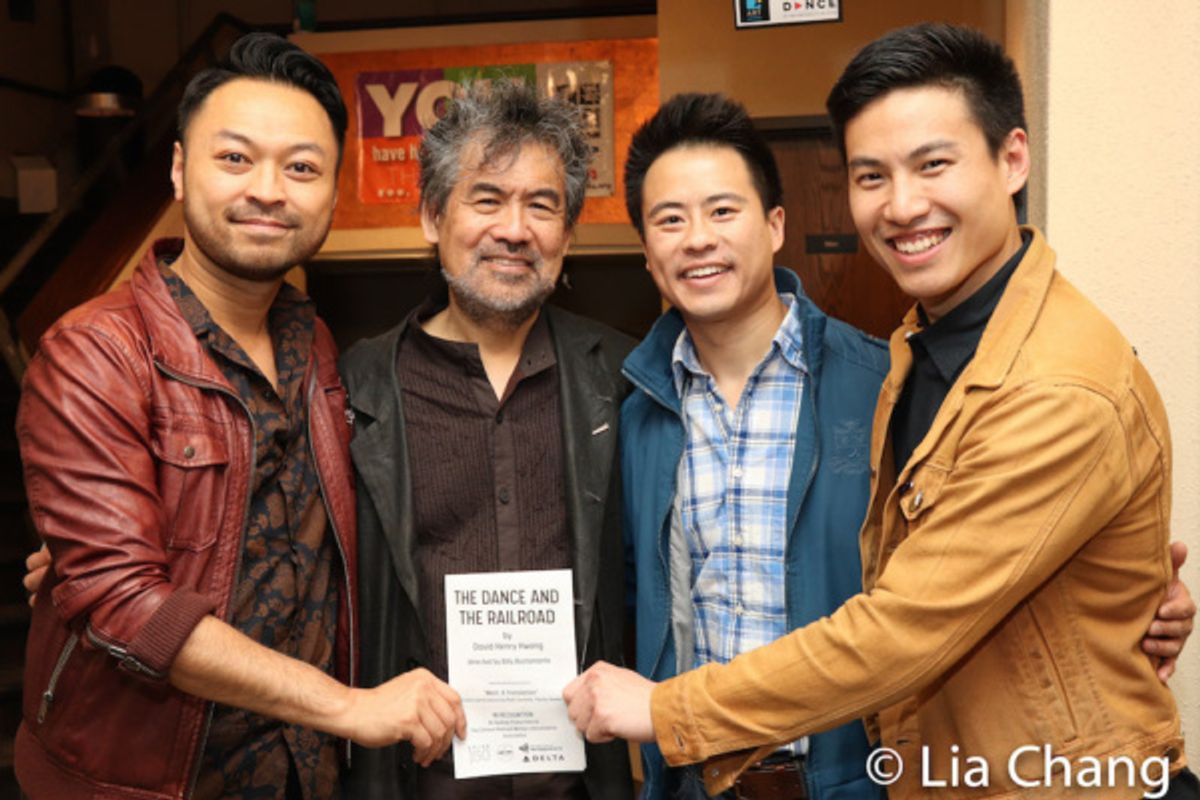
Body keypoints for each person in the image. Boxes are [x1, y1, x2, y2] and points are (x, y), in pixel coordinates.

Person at [565, 25, 1199, 800]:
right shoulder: (921, 348)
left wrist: (665, 709)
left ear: (1012, 160)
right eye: (871, 176)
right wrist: (1115, 598)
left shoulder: (1043, 382)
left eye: (934, 164)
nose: (903, 205)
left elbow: (905, 624)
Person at [15, 33, 462, 800]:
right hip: (149, 781)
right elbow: (125, 602)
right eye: (235, 159)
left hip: (306, 772)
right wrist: (350, 707)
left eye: (301, 167)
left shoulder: (315, 342)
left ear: (333, 190)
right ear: (181, 171)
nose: (269, 189)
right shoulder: (96, 352)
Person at [339, 80, 635, 799]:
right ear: (431, 216)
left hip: (582, 780)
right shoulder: (352, 388)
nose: (515, 228)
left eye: (542, 204)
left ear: (568, 234)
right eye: (487, 199)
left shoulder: (626, 379)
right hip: (413, 782)